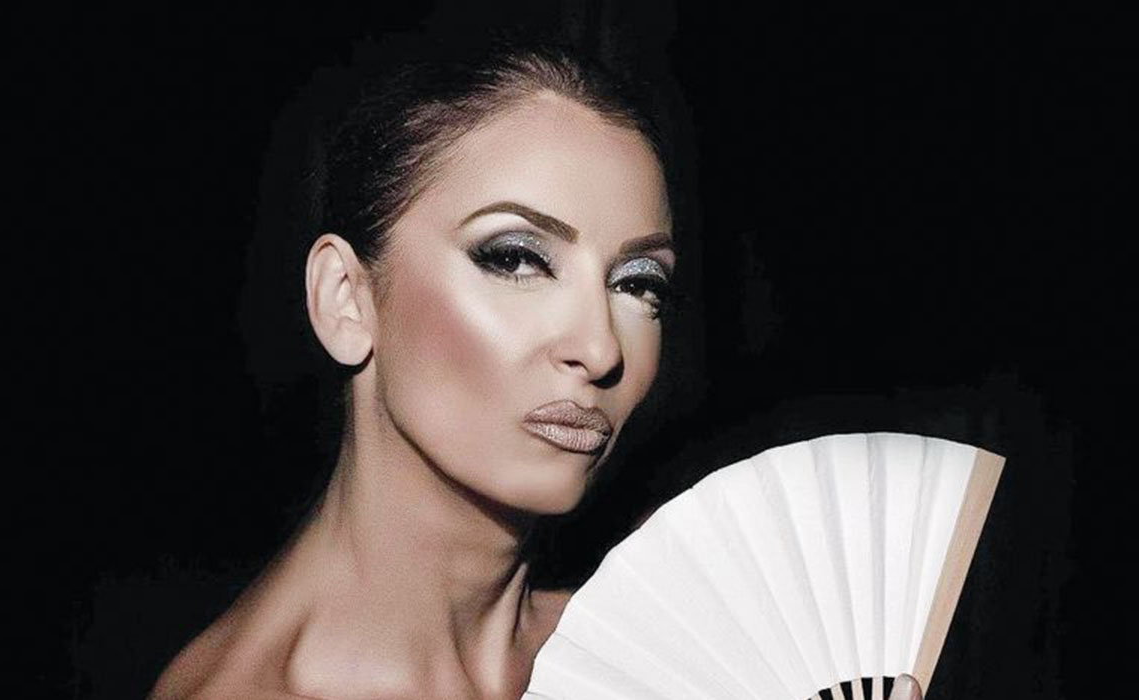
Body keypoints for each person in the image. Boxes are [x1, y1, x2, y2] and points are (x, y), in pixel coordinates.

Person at [149, 39, 924, 700]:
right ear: (345, 300)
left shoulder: (667, 644)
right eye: (517, 258)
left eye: (638, 284)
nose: (601, 349)